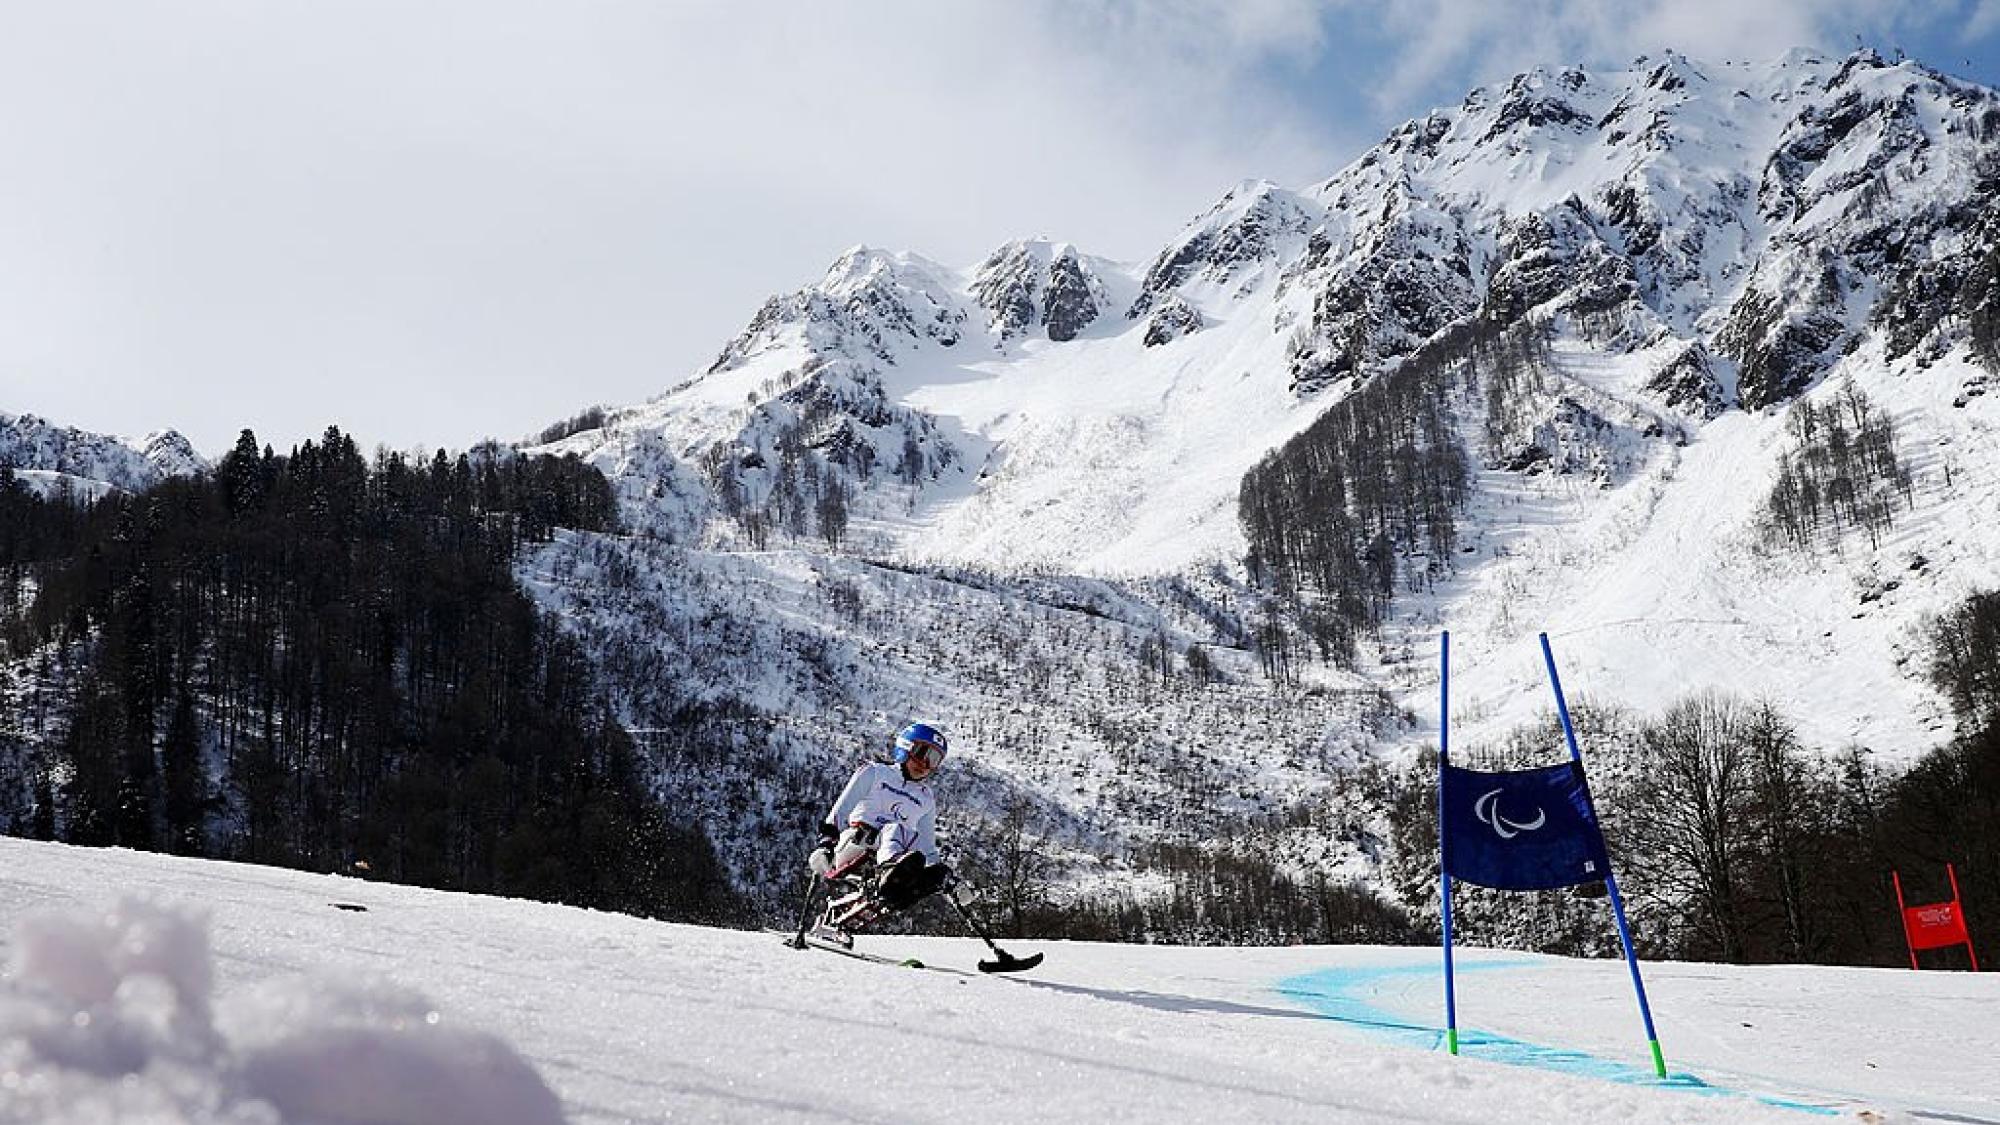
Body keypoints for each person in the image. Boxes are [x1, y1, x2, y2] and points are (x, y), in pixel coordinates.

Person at [808, 721, 955, 931]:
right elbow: (840, 811)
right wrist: (825, 845)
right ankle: (892, 871)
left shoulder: (925, 798)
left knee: (915, 848)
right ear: (905, 747)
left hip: (891, 859)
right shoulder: (874, 773)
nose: (924, 764)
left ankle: (903, 885)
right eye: (921, 752)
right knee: (894, 828)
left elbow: (926, 846)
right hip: (854, 843)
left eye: (933, 760)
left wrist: (945, 877)